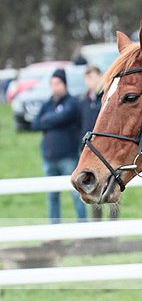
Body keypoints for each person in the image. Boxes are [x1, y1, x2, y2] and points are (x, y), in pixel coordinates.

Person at [32, 68, 86, 224]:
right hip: (48, 158)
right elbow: (35, 124)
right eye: (52, 84)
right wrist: (52, 119)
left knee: (77, 194)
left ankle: (83, 229)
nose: (55, 87)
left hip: (68, 157)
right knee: (52, 196)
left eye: (58, 83)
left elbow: (64, 116)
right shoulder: (48, 103)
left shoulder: (72, 102)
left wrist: (47, 120)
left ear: (64, 84)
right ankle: (54, 231)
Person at [79, 65, 120, 220]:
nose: (89, 82)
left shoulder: (108, 98)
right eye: (87, 78)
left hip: (107, 152)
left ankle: (112, 229)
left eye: (92, 77)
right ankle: (97, 230)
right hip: (89, 151)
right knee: (92, 189)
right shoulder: (83, 101)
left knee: (112, 189)